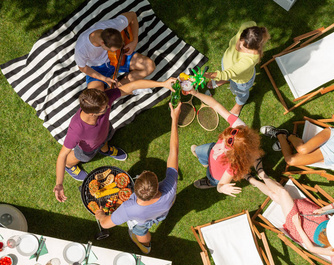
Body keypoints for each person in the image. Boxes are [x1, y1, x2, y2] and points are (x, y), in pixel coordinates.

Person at [53, 77, 177, 202]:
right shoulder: (77, 129)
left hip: (105, 132)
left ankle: (105, 150)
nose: (108, 106)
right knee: (78, 158)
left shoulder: (104, 99)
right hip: (87, 149)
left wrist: (162, 83)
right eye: (104, 108)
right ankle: (69, 166)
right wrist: (59, 184)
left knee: (106, 139)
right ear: (92, 113)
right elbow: (62, 155)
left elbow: (132, 86)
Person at [95, 103, 181, 254]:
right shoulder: (169, 187)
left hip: (142, 220)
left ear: (135, 190)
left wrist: (101, 215)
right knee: (149, 223)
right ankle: (146, 244)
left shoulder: (129, 208)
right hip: (162, 210)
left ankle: (144, 245)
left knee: (140, 230)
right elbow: (174, 151)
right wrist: (174, 120)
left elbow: (106, 224)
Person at [246, 169, 334, 256]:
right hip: (312, 213)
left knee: (283, 193)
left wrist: (298, 226)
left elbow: (311, 248)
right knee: (276, 195)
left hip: (299, 226)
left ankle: (262, 174)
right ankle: (252, 179)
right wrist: (324, 209)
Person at [188, 89, 264, 197]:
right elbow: (216, 105)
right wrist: (195, 93)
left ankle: (210, 182)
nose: (223, 140)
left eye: (227, 144)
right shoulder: (238, 125)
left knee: (213, 178)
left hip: (216, 173)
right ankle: (204, 161)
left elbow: (221, 184)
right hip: (211, 150)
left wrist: (221, 187)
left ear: (235, 153)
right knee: (199, 150)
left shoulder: (234, 165)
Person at [75, 11, 155, 91]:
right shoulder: (81, 48)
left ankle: (118, 87)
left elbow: (132, 15)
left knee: (149, 66)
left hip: (120, 56)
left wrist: (134, 41)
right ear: (103, 43)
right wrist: (104, 79)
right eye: (111, 50)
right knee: (96, 96)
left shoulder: (111, 26)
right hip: (97, 68)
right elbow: (82, 68)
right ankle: (117, 90)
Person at [204, 21, 270, 116]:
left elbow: (229, 72)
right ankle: (225, 80)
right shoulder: (247, 26)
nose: (240, 46)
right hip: (227, 64)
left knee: (241, 93)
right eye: (241, 41)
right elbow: (252, 23)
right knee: (226, 74)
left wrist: (205, 75)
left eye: (245, 48)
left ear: (254, 48)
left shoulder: (250, 59)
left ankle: (238, 105)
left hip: (240, 80)